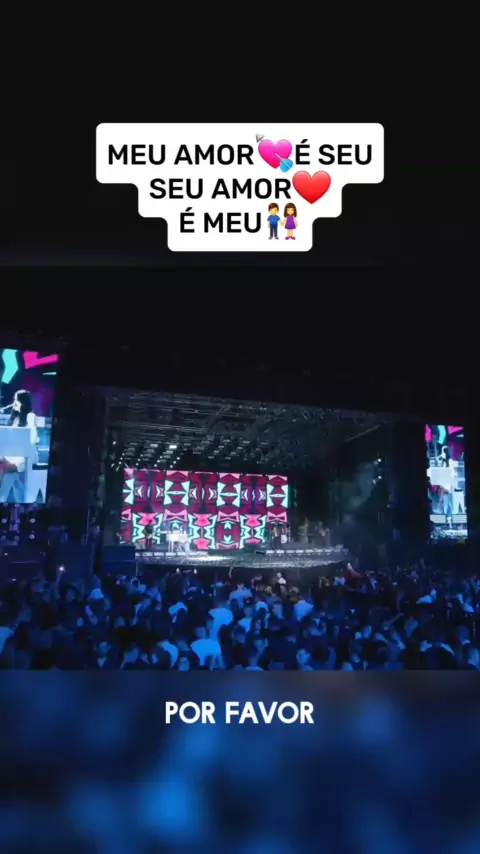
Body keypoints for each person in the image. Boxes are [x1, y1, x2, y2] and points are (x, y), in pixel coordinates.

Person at [0, 390, 39, 502]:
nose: (15, 403)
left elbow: (34, 437)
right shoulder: (15, 419)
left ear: (24, 402)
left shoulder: (30, 416)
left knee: (2, 467)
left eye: (18, 400)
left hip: (25, 456)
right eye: (14, 400)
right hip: (12, 455)